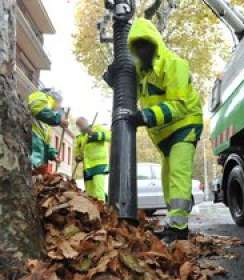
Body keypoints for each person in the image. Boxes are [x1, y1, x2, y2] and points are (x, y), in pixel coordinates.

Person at [122, 18, 203, 242]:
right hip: (164, 133)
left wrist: (146, 116)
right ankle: (174, 223)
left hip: (185, 124)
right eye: (137, 46)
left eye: (145, 44)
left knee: (178, 174)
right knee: (168, 178)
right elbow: (127, 85)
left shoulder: (175, 64)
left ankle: (179, 229)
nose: (142, 50)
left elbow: (180, 105)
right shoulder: (142, 71)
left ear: (156, 43)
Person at [28, 88, 68, 174]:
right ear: (57, 100)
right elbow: (38, 109)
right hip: (32, 139)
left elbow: (45, 143)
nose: (59, 109)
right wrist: (58, 119)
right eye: (60, 105)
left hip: (38, 148)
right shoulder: (42, 96)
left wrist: (53, 154)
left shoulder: (48, 123)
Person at [74, 117, 111, 202]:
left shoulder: (97, 128)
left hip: (98, 165)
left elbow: (110, 136)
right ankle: (92, 211)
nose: (80, 128)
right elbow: (78, 151)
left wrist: (97, 135)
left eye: (82, 125)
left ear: (86, 123)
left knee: (99, 191)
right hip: (87, 168)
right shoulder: (79, 137)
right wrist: (77, 157)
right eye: (79, 126)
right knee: (89, 194)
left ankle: (102, 210)